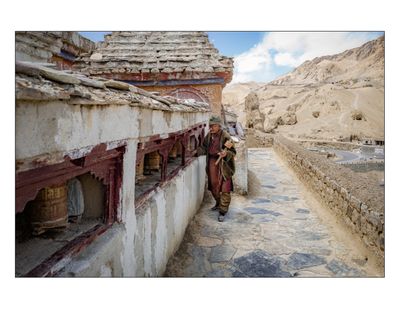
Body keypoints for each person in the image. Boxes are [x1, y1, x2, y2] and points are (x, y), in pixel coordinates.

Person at [197, 116, 236, 222]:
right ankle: (218, 203)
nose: (212, 128)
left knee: (225, 188)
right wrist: (195, 152)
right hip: (212, 164)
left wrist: (225, 153)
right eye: (211, 126)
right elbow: (204, 147)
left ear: (219, 126)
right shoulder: (209, 136)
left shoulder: (226, 136)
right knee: (214, 187)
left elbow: (233, 152)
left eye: (214, 126)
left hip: (223, 166)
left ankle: (223, 211)